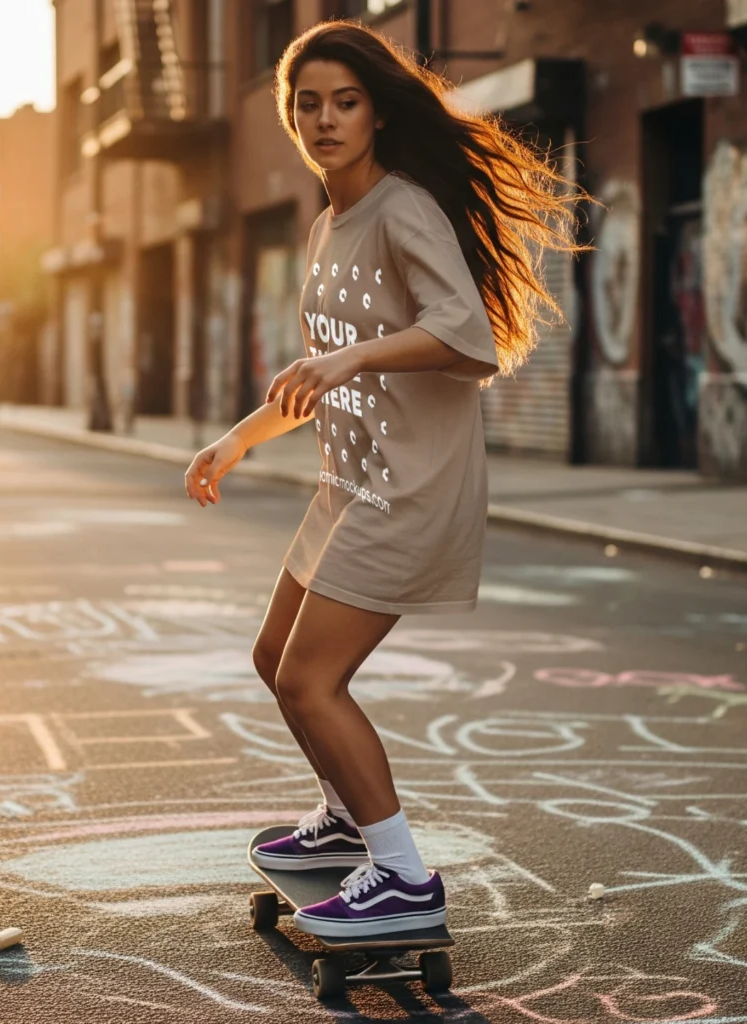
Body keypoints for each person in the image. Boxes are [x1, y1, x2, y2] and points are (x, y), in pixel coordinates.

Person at [184, 20, 582, 938]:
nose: (325, 119)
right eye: (307, 104)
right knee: (272, 662)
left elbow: (468, 341)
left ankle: (401, 875)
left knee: (312, 681)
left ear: (375, 113)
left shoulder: (404, 208)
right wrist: (239, 438)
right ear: (291, 119)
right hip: (350, 480)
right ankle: (341, 822)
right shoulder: (328, 223)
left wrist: (354, 358)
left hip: (409, 489)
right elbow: (325, 369)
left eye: (345, 101)